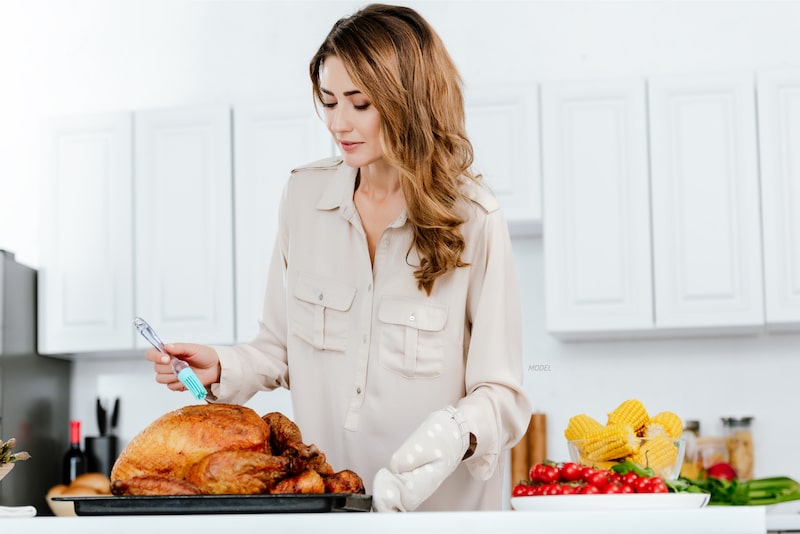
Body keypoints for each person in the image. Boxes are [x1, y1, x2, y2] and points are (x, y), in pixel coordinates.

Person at [145, 3, 530, 512]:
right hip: (330, 511)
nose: (338, 123)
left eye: (360, 103)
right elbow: (279, 349)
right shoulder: (304, 198)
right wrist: (222, 366)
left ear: (408, 102)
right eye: (328, 102)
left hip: (443, 515)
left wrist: (455, 432)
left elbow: (502, 395)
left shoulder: (474, 218)